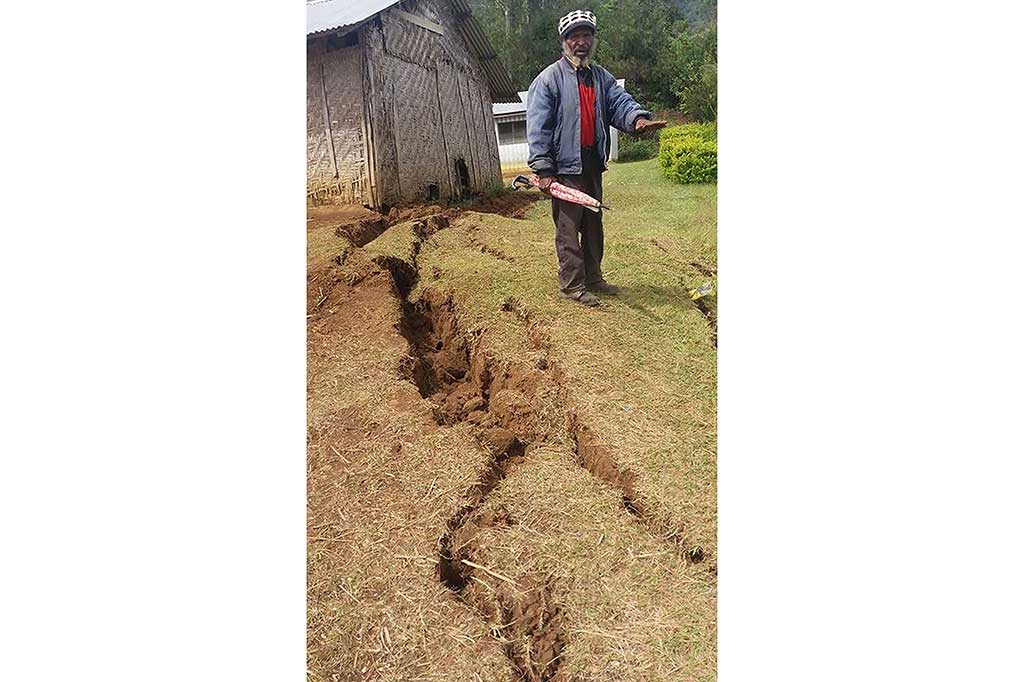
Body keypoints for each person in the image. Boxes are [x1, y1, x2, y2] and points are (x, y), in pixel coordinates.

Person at [526, 9, 667, 307]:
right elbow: (539, 127)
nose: (581, 42)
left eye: (586, 35)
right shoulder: (549, 79)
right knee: (567, 230)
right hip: (564, 170)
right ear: (565, 42)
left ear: (593, 39)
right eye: (575, 36)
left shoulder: (600, 77)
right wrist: (543, 169)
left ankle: (593, 277)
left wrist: (637, 119)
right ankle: (572, 285)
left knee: (593, 225)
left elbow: (619, 103)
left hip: (591, 166)